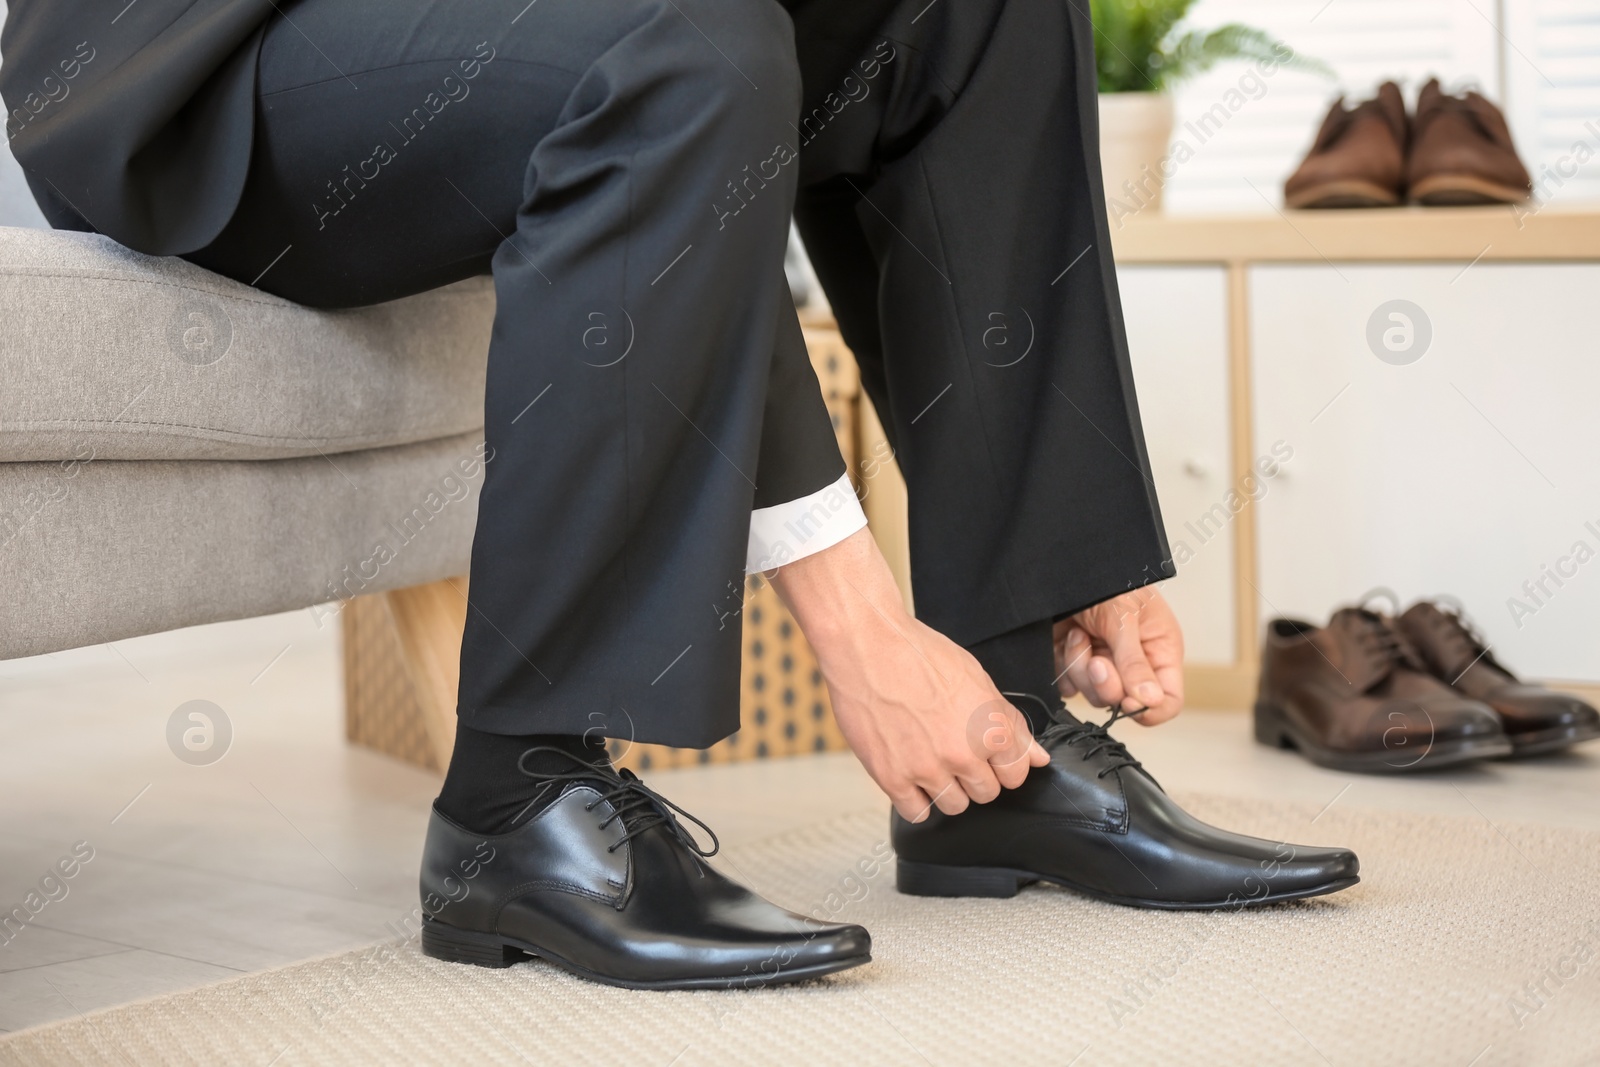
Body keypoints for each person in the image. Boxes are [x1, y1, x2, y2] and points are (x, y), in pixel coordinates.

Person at [1, 0, 1359, 991]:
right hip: (206, 61)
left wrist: (1068, 549)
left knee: (977, 8)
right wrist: (859, 625)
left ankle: (1002, 745)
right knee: (676, 50)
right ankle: (514, 810)